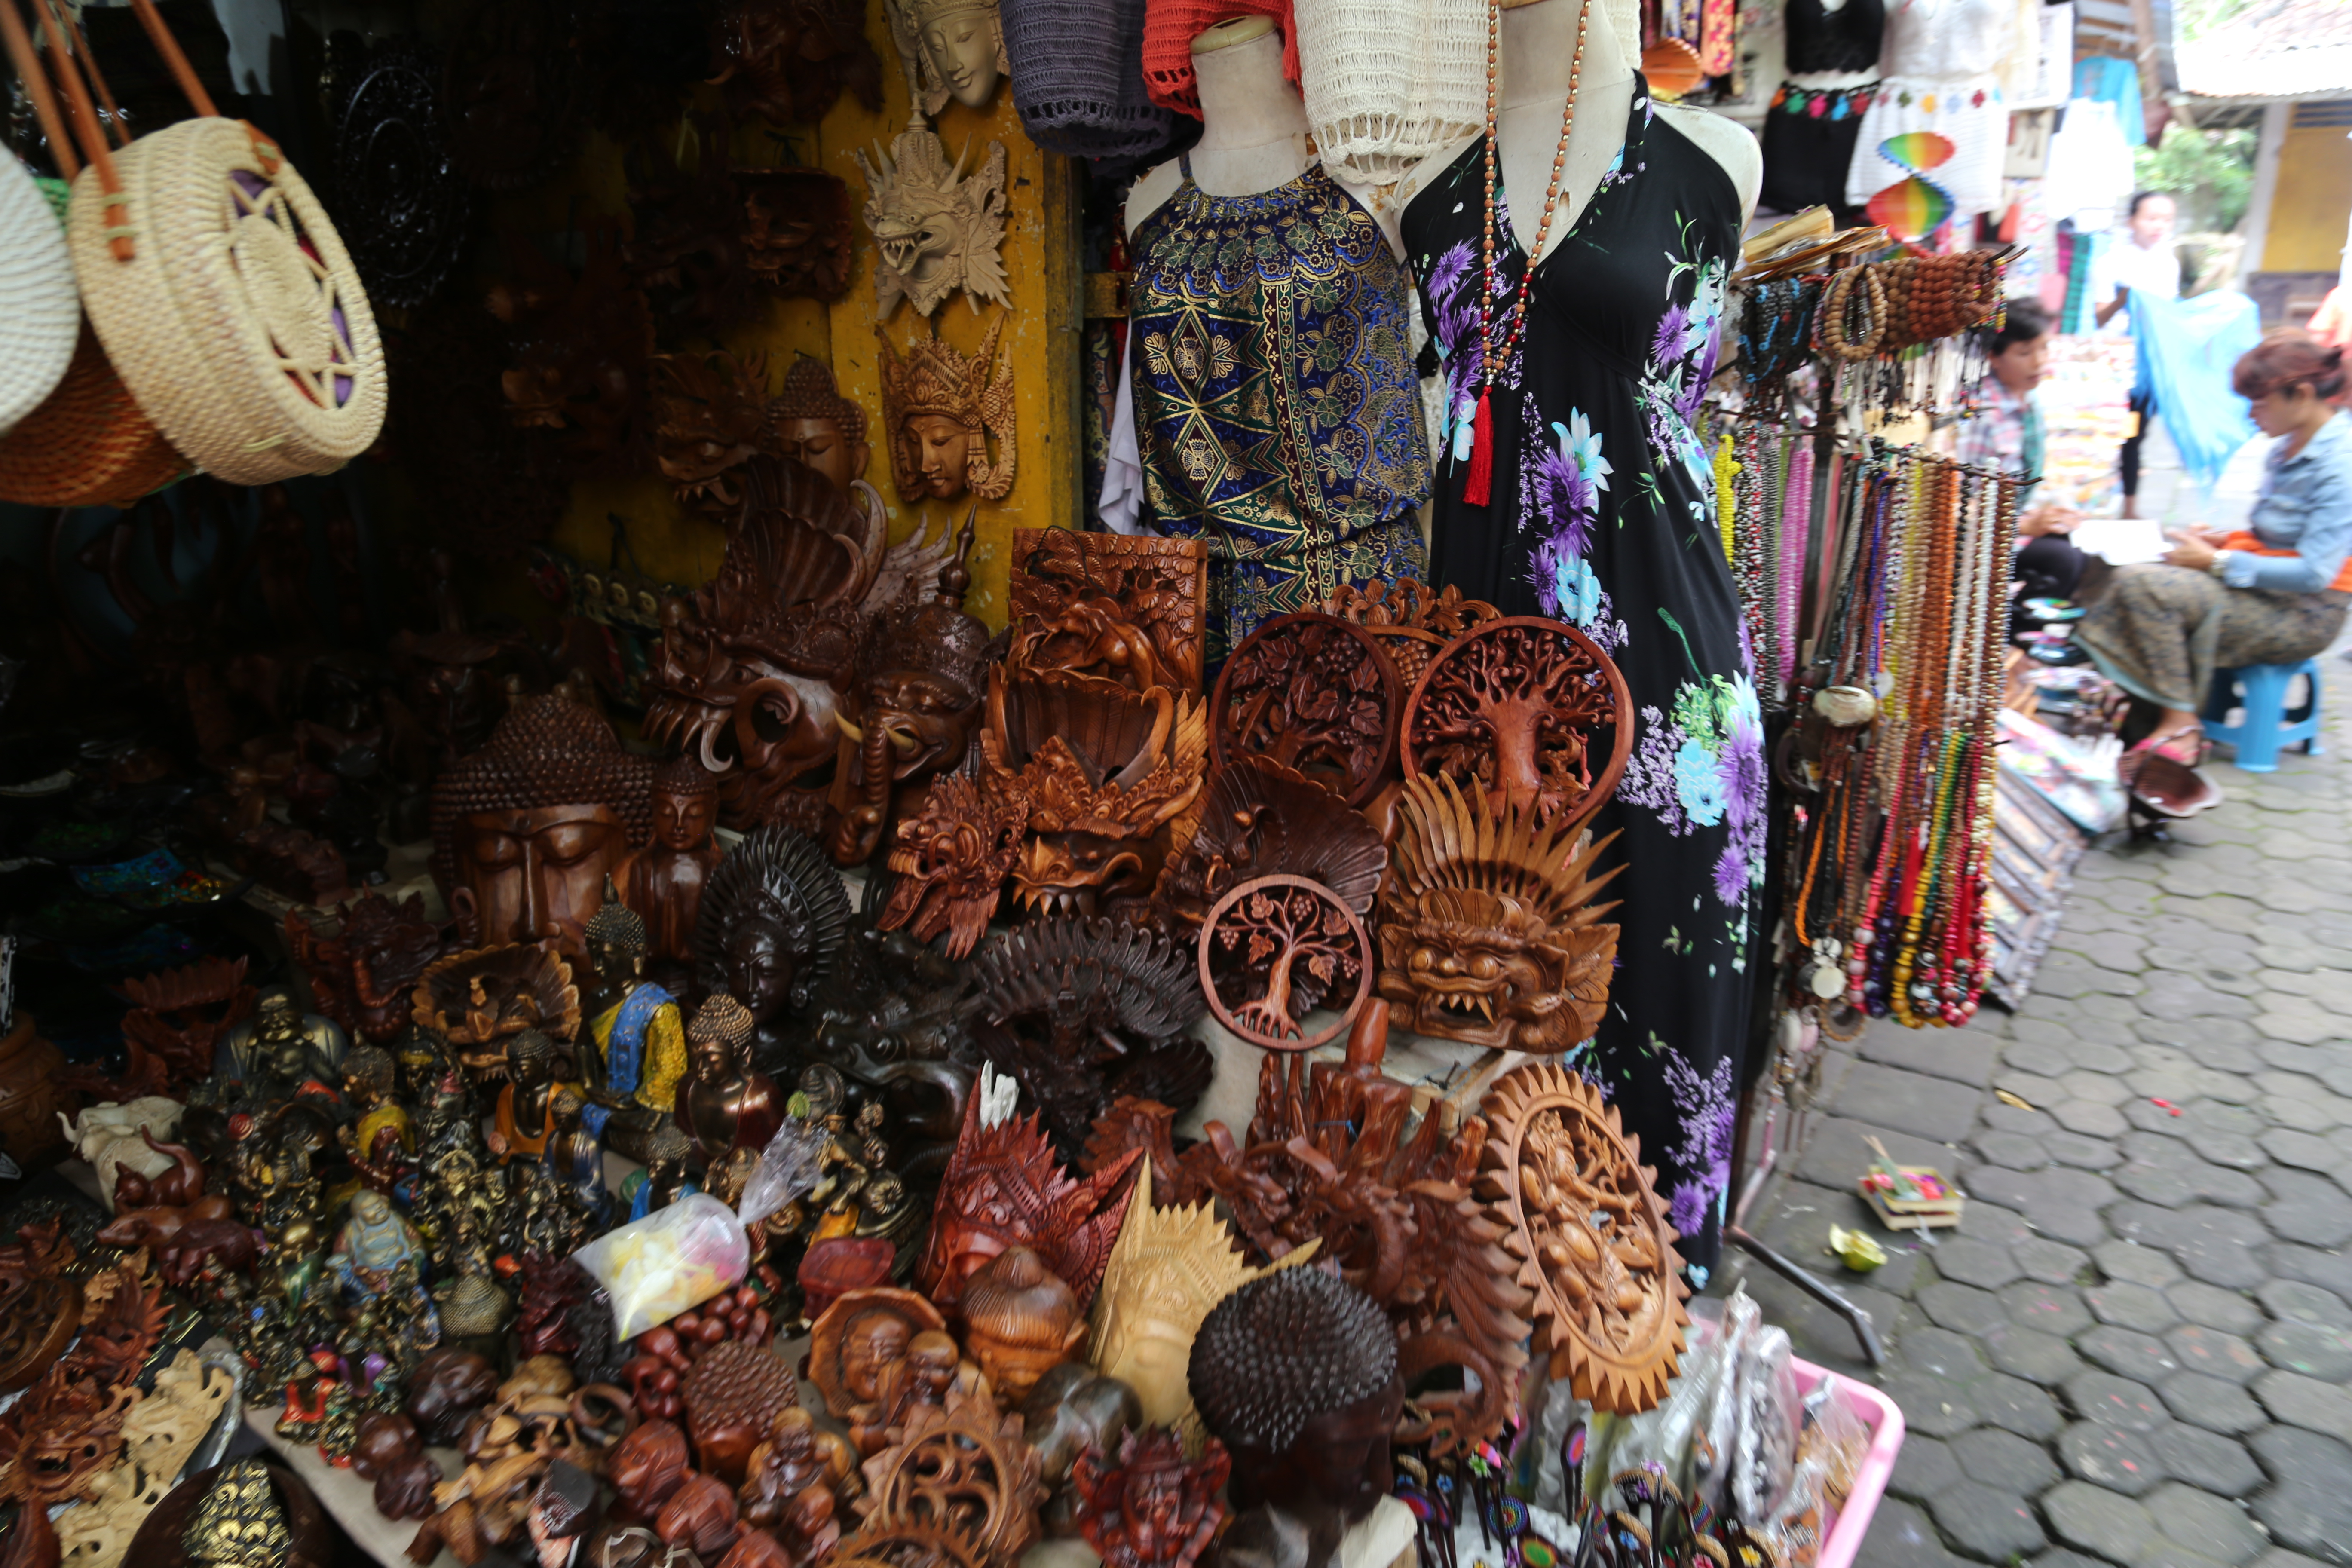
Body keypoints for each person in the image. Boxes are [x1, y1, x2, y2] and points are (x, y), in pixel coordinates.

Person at [2075, 330, 2352, 777]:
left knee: (2144, 587)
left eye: (2259, 402)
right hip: (2262, 589)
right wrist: (2221, 541)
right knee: (2107, 565)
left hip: (2304, 612)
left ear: (2300, 394)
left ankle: (2181, 719)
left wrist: (2218, 562)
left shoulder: (2341, 463)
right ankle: (2146, 709)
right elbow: (2278, 537)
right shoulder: (2286, 448)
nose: (2251, 414)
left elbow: (2316, 572)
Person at [1955, 298, 2089, 609]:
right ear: (1993, 357)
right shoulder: (1983, 412)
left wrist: (2048, 515)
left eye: (2044, 349)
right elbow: (1964, 501)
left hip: (2004, 526)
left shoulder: (2027, 405)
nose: (2039, 362)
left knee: (2073, 551)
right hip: (1979, 536)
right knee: (2061, 560)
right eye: (2025, 353)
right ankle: (2015, 646)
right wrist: (2023, 525)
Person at [2090, 191, 2180, 518]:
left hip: (2148, 365)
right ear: (2132, 221)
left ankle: (2129, 506)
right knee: (2106, 432)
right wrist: (2122, 300)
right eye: (2151, 218)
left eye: (2166, 219)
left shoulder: (2169, 265)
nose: (2159, 226)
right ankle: (2093, 500)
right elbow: (2099, 317)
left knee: (2134, 434)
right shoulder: (2110, 263)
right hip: (2115, 362)